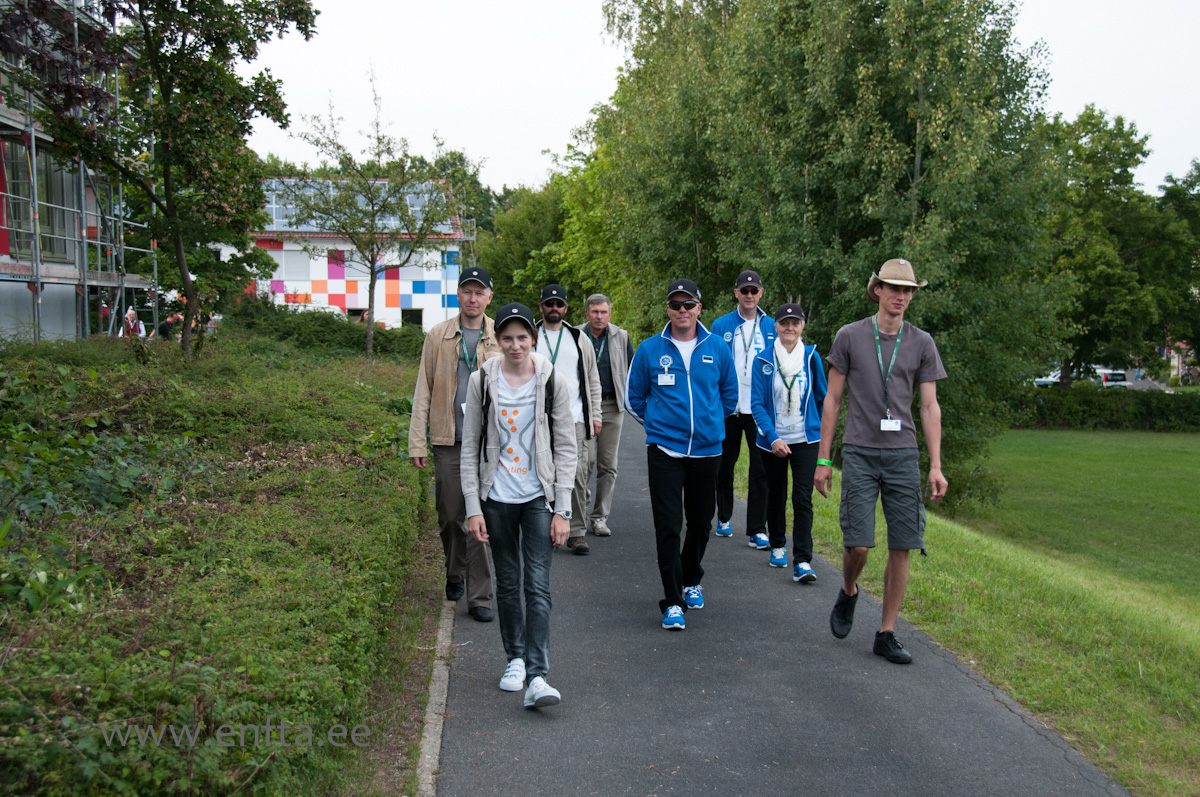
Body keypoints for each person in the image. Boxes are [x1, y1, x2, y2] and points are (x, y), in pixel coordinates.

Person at [814, 258, 948, 665]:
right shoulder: (851, 336)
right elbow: (833, 400)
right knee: (858, 543)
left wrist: (935, 465)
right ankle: (850, 590)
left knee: (903, 543)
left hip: (903, 455)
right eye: (894, 288)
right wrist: (824, 458)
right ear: (878, 290)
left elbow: (929, 407)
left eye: (908, 291)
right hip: (859, 451)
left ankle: (886, 632)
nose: (901, 297)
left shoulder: (921, 342)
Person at [460, 302, 577, 709]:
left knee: (537, 585)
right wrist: (473, 506)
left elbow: (566, 447)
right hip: (497, 498)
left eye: (522, 337)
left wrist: (563, 510)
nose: (515, 345)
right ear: (499, 340)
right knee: (507, 583)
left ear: (533, 338)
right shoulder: (483, 382)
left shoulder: (551, 381)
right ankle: (514, 658)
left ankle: (538, 675)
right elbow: (469, 447)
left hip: (538, 497)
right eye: (507, 338)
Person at [626, 279, 738, 631]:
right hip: (665, 451)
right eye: (675, 305)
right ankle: (672, 600)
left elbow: (730, 395)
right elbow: (634, 398)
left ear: (699, 308)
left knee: (702, 524)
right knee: (668, 526)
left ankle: (691, 578)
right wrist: (659, 426)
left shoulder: (717, 347)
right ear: (668, 309)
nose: (682, 311)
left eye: (688, 304)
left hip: (707, 452)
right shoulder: (649, 349)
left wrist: (707, 424)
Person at [409, 267, 500, 623]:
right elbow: (423, 390)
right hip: (448, 439)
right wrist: (417, 439)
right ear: (458, 295)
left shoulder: (500, 335)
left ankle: (480, 596)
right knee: (449, 517)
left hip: (487, 443)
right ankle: (454, 571)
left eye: (480, 292)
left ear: (489, 297)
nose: (473, 298)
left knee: (481, 520)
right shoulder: (438, 335)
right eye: (467, 291)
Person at [750, 303, 827, 579]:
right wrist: (773, 437)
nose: (790, 328)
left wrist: (818, 428)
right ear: (776, 327)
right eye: (784, 323)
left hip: (806, 439)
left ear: (802, 325)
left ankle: (803, 560)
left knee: (802, 498)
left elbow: (822, 397)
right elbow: (757, 404)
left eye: (795, 323)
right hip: (773, 441)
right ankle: (778, 544)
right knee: (777, 493)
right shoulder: (763, 360)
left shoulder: (811, 357)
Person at [709, 270, 775, 547]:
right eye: (744, 291)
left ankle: (757, 528)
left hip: (759, 408)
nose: (749, 295)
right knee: (724, 464)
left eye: (754, 291)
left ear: (761, 293)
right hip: (729, 407)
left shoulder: (772, 325)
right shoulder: (721, 325)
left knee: (761, 469)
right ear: (736, 292)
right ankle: (724, 517)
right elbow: (711, 365)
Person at [535, 284, 602, 555]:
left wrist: (595, 414)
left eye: (559, 304)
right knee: (540, 474)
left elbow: (592, 378)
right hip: (536, 418)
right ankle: (541, 530)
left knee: (576, 474)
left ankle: (576, 532)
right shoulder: (530, 333)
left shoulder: (577, 337)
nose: (554, 308)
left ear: (566, 308)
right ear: (541, 307)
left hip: (573, 417)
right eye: (549, 304)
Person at [578, 294, 634, 537]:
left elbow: (633, 369)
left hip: (612, 405)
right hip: (584, 406)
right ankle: (582, 505)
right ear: (587, 314)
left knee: (608, 465)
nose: (598, 316)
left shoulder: (620, 337)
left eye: (603, 312)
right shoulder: (576, 335)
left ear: (609, 314)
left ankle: (599, 517)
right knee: (584, 462)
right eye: (594, 312)